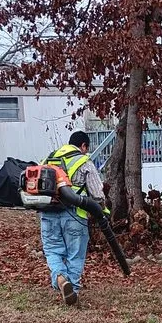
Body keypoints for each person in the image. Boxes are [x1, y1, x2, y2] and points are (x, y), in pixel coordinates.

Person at [40, 131, 106, 305]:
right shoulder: (83, 161)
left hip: (48, 214)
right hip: (74, 215)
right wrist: (101, 208)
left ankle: (61, 278)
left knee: (52, 251)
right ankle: (73, 290)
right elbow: (97, 194)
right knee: (75, 254)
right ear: (83, 146)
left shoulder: (49, 159)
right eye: (86, 149)